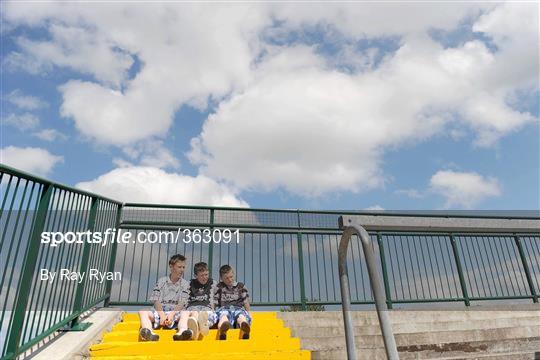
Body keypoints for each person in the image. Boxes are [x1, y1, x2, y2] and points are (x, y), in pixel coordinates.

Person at [138, 254, 189, 341]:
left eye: (183, 267)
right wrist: (162, 315)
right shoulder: (161, 281)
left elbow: (182, 303)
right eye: (179, 267)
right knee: (143, 311)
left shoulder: (185, 284)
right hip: (160, 311)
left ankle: (182, 332)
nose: (182, 270)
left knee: (186, 312)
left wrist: (171, 315)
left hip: (175, 311)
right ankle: (148, 332)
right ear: (171, 266)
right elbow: (156, 300)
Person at [175, 262, 218, 340]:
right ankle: (181, 332)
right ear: (195, 276)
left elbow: (217, 297)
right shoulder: (190, 284)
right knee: (185, 314)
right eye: (201, 275)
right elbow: (183, 299)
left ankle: (199, 327)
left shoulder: (213, 283)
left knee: (204, 315)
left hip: (205, 308)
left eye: (206, 274)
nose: (204, 277)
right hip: (191, 307)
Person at [214, 264, 252, 340]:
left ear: (233, 274)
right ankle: (223, 330)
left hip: (238, 308)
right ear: (221, 278)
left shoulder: (240, 286)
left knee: (241, 317)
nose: (230, 280)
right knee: (223, 317)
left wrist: (250, 314)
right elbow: (214, 302)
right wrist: (212, 312)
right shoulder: (219, 287)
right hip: (224, 309)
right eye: (226, 278)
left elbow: (245, 301)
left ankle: (245, 329)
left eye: (231, 277)